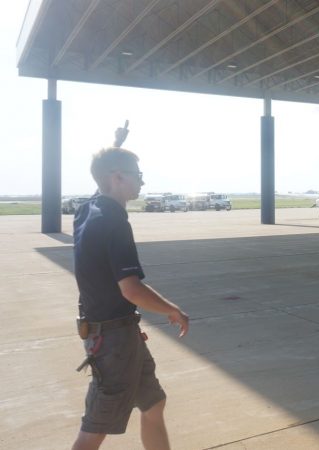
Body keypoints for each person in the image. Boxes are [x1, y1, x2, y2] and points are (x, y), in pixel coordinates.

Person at [71, 126, 189, 450]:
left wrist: (115, 145)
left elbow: (102, 175)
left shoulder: (88, 209)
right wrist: (172, 310)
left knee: (153, 404)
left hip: (120, 334)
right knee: (95, 428)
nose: (142, 181)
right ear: (118, 177)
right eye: (138, 174)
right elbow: (131, 290)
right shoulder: (112, 221)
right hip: (112, 342)